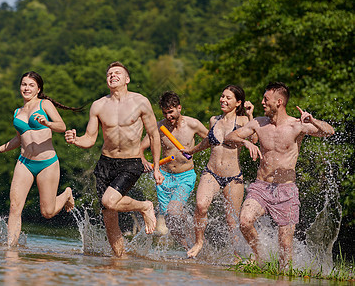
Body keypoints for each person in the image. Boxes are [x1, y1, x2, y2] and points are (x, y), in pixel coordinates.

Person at [224, 81, 334, 267]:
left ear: (279, 102)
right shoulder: (258, 123)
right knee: (244, 221)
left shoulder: (296, 126)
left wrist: (312, 121)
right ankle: (260, 257)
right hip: (261, 186)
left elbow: (329, 132)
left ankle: (284, 277)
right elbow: (229, 137)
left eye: (266, 99)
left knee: (285, 245)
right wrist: (246, 143)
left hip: (286, 190)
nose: (262, 102)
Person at [64, 61, 164, 257]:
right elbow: (90, 139)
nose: (113, 75)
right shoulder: (98, 105)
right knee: (109, 216)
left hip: (131, 162)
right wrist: (76, 140)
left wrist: (157, 167)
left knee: (109, 201)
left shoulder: (141, 102)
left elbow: (154, 135)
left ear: (127, 79)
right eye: (109, 73)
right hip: (106, 163)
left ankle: (145, 206)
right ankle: (119, 261)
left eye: (117, 73)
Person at [0, 71, 77, 246]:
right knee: (14, 207)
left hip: (47, 163)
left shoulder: (45, 104)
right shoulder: (17, 111)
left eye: (31, 85)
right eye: (24, 84)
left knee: (47, 212)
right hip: (24, 162)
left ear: (38, 89)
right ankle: (11, 250)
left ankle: (66, 193)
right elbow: (19, 138)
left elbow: (62, 126)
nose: (26, 88)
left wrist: (47, 123)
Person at [182, 85, 256, 258]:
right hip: (211, 173)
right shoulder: (213, 120)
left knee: (232, 221)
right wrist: (192, 151)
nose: (223, 100)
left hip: (233, 178)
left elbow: (255, 139)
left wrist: (251, 114)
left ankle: (239, 256)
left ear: (238, 103)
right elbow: (208, 141)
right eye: (222, 96)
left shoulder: (244, 121)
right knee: (201, 205)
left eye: (228, 98)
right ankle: (199, 242)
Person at [139, 91, 209, 248]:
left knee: (173, 211)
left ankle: (190, 222)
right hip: (163, 177)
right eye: (165, 113)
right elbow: (141, 148)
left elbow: (210, 139)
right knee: (171, 223)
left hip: (185, 176)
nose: (168, 116)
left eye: (171, 112)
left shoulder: (193, 124)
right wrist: (144, 162)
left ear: (179, 108)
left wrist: (193, 150)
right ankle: (190, 250)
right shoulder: (159, 127)